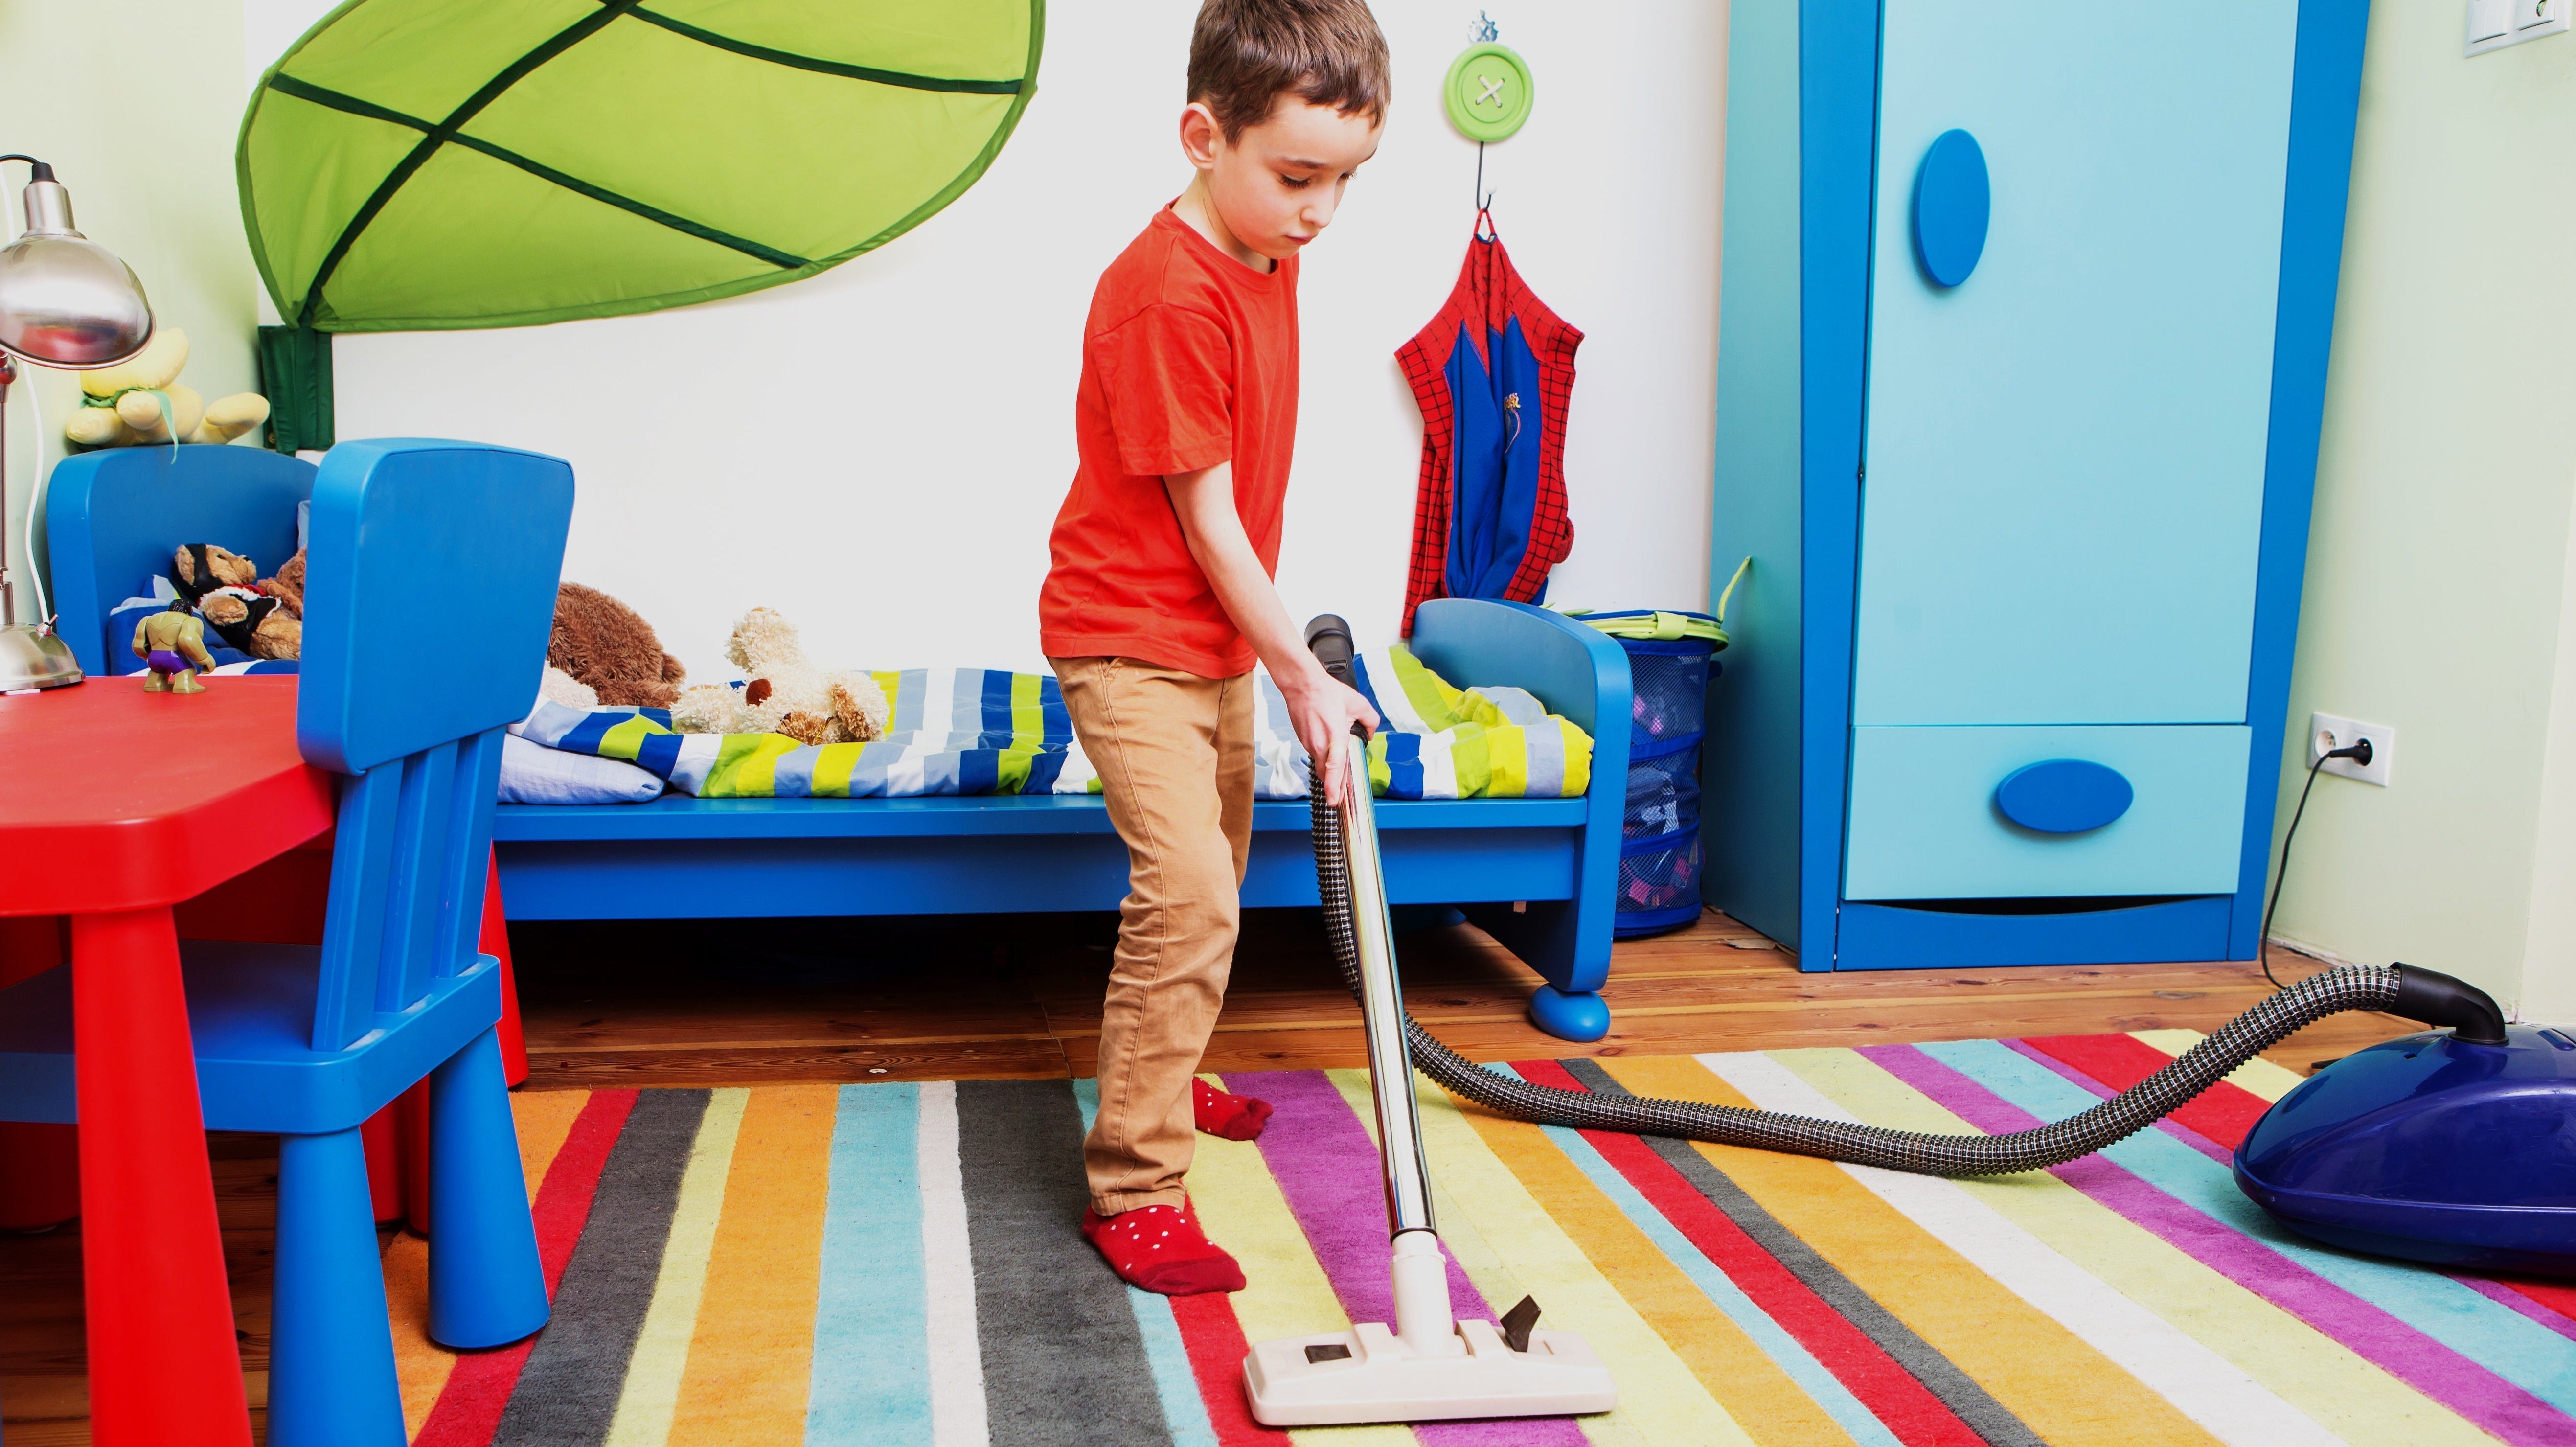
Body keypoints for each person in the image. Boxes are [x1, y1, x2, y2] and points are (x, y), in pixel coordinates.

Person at [1038, 0, 1389, 1295]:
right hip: (1127, 636)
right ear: (1202, 134)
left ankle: (1176, 1081)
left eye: (1343, 183)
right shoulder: (1164, 293)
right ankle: (1136, 1181)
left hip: (1209, 638)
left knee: (1222, 881)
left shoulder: (1263, 252)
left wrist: (1267, 659)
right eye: (1296, 178)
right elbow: (1205, 515)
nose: (1319, 214)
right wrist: (1301, 664)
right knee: (1184, 896)